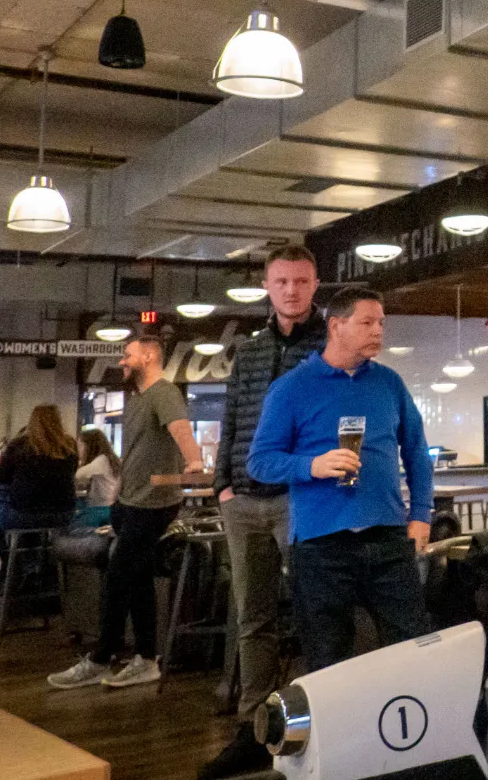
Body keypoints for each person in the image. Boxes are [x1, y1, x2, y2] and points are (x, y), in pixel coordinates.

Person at [248, 285, 434, 672]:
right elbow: (260, 462)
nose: (378, 331)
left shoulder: (389, 383)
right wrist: (311, 466)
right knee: (329, 662)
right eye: (367, 323)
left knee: (415, 649)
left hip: (387, 538)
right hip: (320, 546)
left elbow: (417, 451)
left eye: (381, 323)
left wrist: (421, 514)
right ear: (336, 326)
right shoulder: (291, 388)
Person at [199, 245, 326, 780]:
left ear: (315, 284)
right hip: (244, 500)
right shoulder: (249, 351)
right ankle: (256, 729)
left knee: (315, 612)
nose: (291, 290)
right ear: (268, 287)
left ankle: (319, 721)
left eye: (300, 281)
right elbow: (230, 418)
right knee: (253, 618)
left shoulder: (331, 344)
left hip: (301, 497)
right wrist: (222, 485)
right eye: (281, 282)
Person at [49, 335, 205, 690]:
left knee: (118, 576)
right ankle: (147, 659)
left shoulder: (164, 392)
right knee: (137, 580)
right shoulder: (136, 400)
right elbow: (135, 455)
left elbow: (180, 427)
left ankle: (102, 658)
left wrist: (194, 459)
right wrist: (119, 497)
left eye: (128, 355)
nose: (122, 361)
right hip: (129, 501)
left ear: (148, 356)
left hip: (153, 502)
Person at [0, 405, 77, 557]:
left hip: (24, 515)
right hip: (63, 515)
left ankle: (0, 565)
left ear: (32, 422)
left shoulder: (19, 444)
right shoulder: (69, 446)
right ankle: (33, 560)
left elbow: (1, 477)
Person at [74, 426, 120, 528]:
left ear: (89, 446)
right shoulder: (108, 459)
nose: (77, 450)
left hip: (101, 510)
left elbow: (78, 475)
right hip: (109, 508)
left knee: (70, 523)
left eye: (80, 445)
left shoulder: (101, 461)